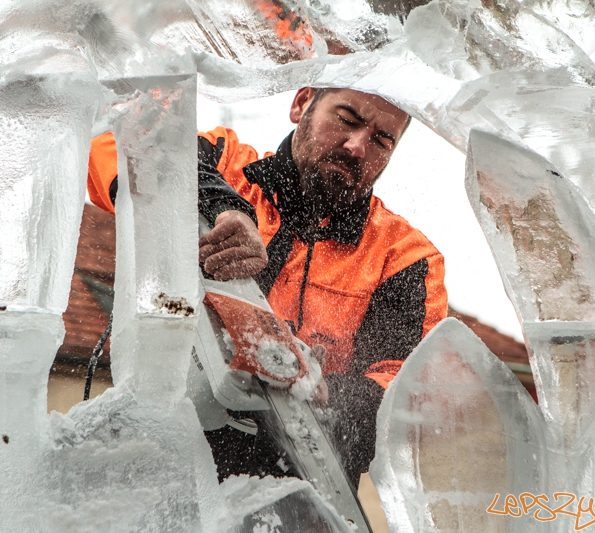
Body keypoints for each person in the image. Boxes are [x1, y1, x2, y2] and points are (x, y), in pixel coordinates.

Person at [87, 87, 448, 486]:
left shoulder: (405, 256)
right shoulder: (226, 160)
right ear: (301, 104)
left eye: (382, 140)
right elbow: (123, 144)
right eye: (347, 119)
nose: (357, 146)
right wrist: (225, 207)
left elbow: (405, 391)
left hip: (303, 487)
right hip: (168, 460)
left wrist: (324, 391)